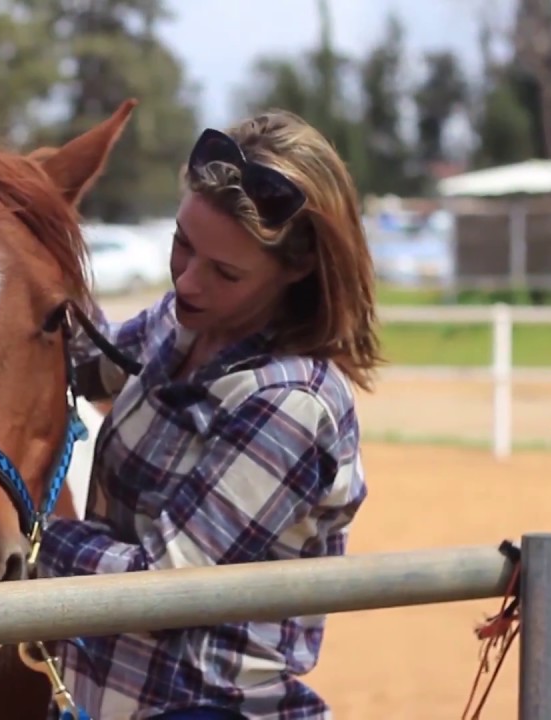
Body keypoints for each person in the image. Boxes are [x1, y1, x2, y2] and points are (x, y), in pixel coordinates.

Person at [35, 109, 382, 719]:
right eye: (182, 245)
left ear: (297, 269)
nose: (188, 282)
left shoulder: (290, 403)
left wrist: (28, 540)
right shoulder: (184, 322)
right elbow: (86, 367)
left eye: (225, 272)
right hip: (108, 697)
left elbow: (161, 587)